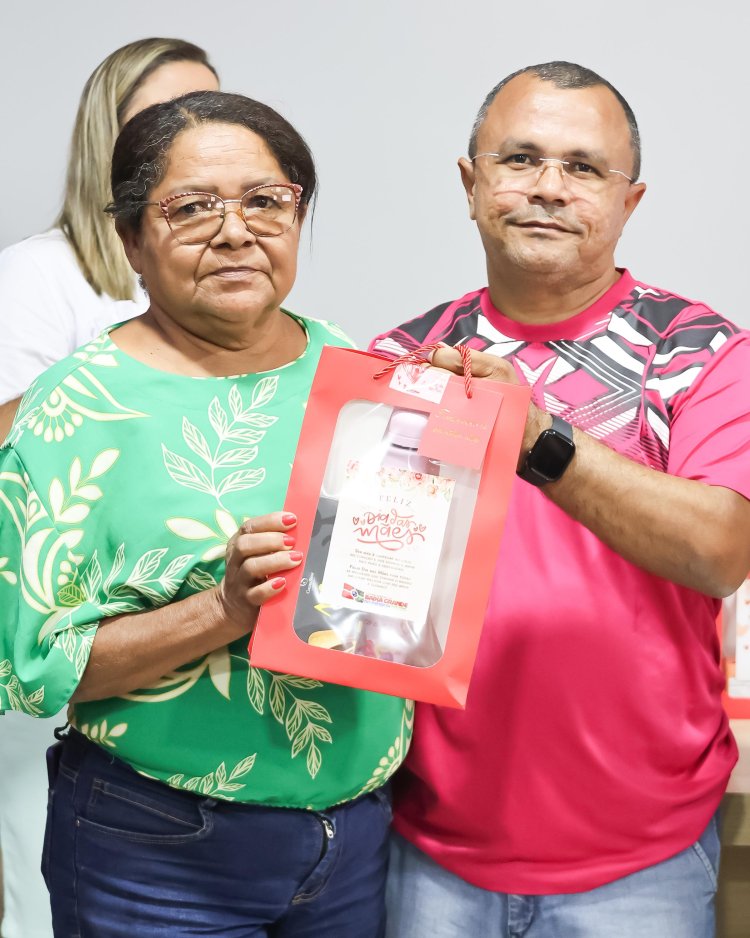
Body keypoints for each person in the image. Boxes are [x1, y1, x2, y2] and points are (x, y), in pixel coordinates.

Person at [0, 90, 410, 937]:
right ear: (130, 241)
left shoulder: (367, 378)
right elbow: (33, 673)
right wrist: (222, 610)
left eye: (266, 201)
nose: (236, 231)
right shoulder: (74, 407)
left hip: (358, 836)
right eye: (192, 208)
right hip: (157, 847)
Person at [370, 61, 750, 938]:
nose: (548, 188)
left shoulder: (700, 351)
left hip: (639, 863)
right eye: (520, 159)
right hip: (431, 849)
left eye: (582, 168)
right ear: (471, 185)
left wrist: (537, 434)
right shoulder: (404, 359)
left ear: (630, 200)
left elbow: (721, 550)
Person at [0, 37, 219, 938]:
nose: (197, 136)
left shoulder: (219, 278)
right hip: (68, 650)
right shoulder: (36, 277)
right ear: (107, 142)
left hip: (191, 658)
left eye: (213, 110)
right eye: (165, 119)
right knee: (51, 902)